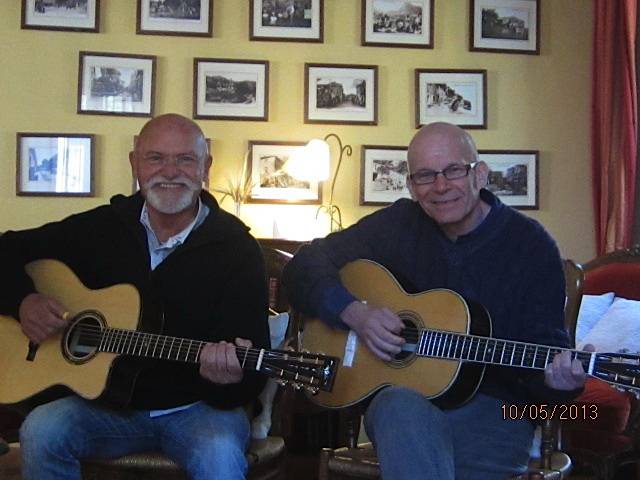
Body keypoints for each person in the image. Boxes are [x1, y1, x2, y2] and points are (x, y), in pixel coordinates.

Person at [282, 122, 587, 480]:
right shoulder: (397, 224)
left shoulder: (531, 247)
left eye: (454, 170)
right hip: (401, 408)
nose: (441, 186)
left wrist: (558, 383)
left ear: (481, 174)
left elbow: (544, 363)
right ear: (412, 186)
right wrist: (353, 312)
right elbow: (302, 267)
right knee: (398, 408)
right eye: (425, 176)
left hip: (495, 412)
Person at [0, 113, 270, 480]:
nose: (170, 171)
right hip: (106, 408)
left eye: (185, 159)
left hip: (198, 410)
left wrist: (224, 379)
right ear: (135, 163)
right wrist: (24, 301)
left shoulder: (238, 249)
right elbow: (7, 249)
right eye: (156, 157)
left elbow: (252, 374)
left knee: (219, 456)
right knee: (41, 430)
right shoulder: (101, 227)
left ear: (206, 167)